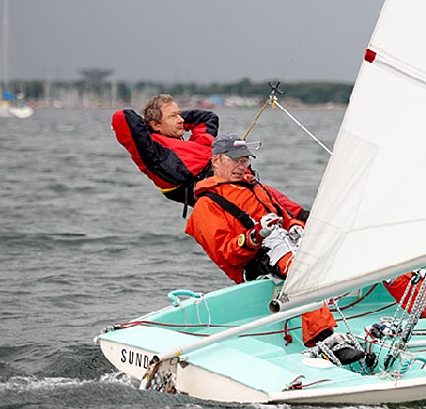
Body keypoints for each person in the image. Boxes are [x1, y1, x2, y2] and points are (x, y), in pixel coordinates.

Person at [185, 132, 363, 365]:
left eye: (245, 160)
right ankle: (325, 340)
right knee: (301, 269)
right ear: (216, 160)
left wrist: (298, 227)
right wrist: (256, 234)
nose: (241, 166)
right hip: (255, 262)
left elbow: (287, 217)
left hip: (286, 245)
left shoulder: (256, 187)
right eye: (235, 160)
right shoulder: (206, 206)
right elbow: (228, 255)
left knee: (358, 250)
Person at [111, 94, 308, 220]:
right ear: (155, 125)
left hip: (241, 183)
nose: (181, 120)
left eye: (180, 115)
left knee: (283, 203)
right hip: (216, 194)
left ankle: (309, 225)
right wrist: (149, 125)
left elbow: (208, 118)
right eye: (173, 117)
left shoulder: (198, 142)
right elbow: (122, 117)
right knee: (269, 212)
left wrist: (176, 121)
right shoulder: (153, 152)